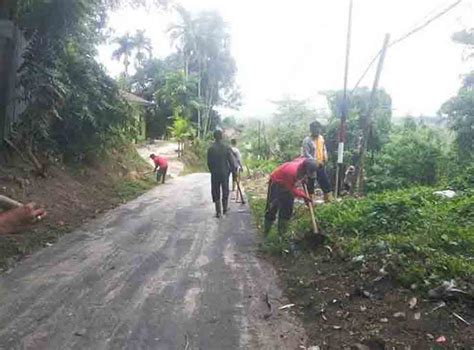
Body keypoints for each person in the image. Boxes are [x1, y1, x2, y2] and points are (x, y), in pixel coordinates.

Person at [264, 157, 317, 236]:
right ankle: (266, 232)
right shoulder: (291, 172)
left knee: (287, 209)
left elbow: (299, 160)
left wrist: (304, 179)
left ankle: (282, 235)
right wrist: (304, 196)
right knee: (273, 207)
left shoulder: (305, 161)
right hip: (277, 181)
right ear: (304, 169)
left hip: (288, 182)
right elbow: (291, 189)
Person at [302, 121, 333, 202]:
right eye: (315, 129)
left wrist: (325, 155)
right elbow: (306, 154)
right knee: (310, 184)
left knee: (325, 182)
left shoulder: (321, 138)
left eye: (318, 128)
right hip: (311, 166)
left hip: (321, 164)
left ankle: (328, 201)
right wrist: (315, 161)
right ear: (311, 129)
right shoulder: (307, 140)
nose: (317, 130)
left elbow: (323, 148)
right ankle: (310, 203)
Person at [207, 130, 234, 218]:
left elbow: (209, 162)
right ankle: (225, 209)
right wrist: (232, 170)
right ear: (221, 137)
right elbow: (231, 161)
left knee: (215, 190)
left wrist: (212, 170)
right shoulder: (226, 147)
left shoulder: (211, 148)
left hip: (215, 173)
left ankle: (218, 211)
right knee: (225, 189)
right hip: (224, 173)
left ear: (214, 137)